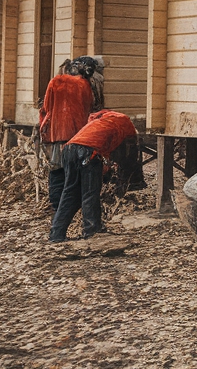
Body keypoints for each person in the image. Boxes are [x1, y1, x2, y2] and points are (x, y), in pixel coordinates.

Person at [49, 110, 138, 242]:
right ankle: (92, 230)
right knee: (90, 193)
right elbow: (126, 156)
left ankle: (56, 233)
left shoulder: (99, 120)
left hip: (69, 149)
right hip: (88, 152)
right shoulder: (126, 125)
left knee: (70, 193)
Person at [38, 60, 94, 212]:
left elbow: (47, 106)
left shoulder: (56, 81)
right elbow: (89, 107)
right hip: (79, 134)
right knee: (74, 172)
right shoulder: (85, 85)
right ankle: (73, 208)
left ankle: (57, 206)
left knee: (57, 170)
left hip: (58, 132)